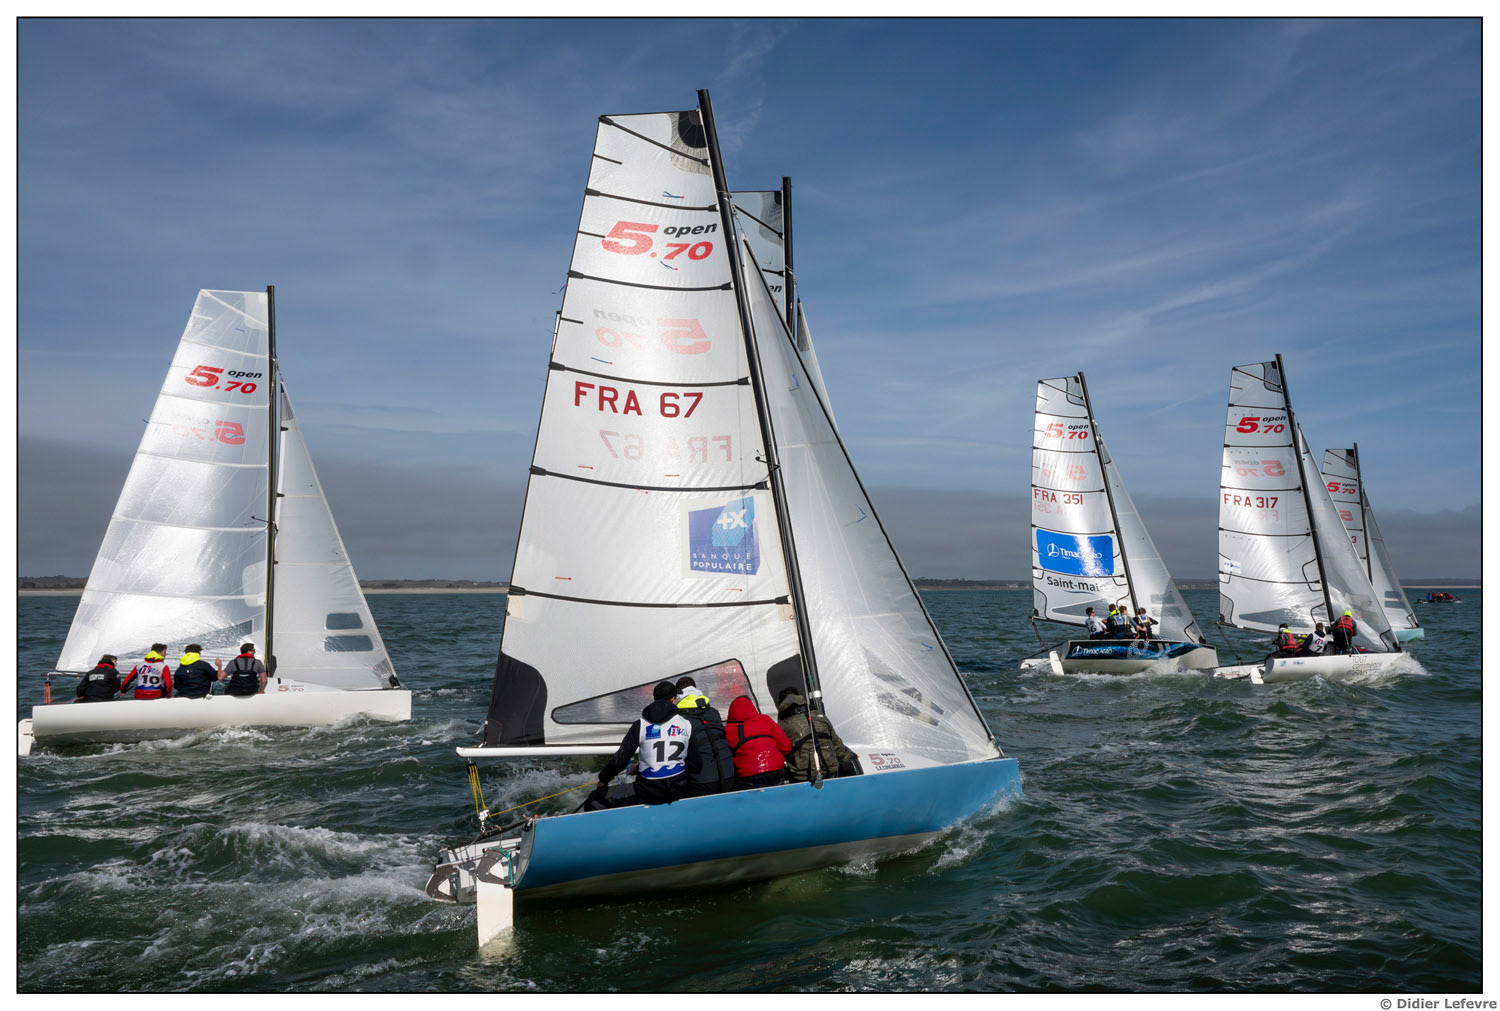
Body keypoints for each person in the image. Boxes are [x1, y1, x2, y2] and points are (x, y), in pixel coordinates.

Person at [586, 680, 701, 809]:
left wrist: (603, 779)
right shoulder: (686, 724)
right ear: (673, 700)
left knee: (594, 799)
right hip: (678, 790)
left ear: (654, 699)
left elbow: (620, 759)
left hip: (648, 792)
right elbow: (696, 766)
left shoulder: (640, 724)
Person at [776, 686, 861, 782]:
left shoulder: (784, 724)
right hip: (830, 769)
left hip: (803, 776)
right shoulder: (819, 716)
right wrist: (850, 757)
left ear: (782, 703)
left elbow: (780, 750)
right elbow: (837, 744)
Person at [674, 676, 735, 797]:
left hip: (702, 782)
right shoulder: (713, 711)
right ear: (695, 689)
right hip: (729, 775)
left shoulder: (678, 718)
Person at [724, 695, 793, 790]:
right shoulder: (766, 719)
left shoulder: (728, 730)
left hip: (748, 777)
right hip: (776, 771)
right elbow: (786, 747)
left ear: (732, 711)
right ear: (752, 707)